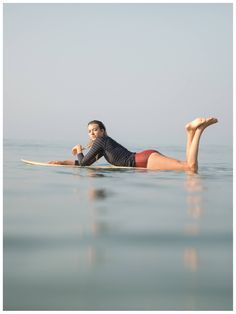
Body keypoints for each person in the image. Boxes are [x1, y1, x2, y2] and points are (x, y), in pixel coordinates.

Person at [48, 117, 218, 173]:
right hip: (144, 159)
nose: (92, 133)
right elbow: (87, 163)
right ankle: (190, 132)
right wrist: (64, 162)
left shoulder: (101, 141)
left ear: (102, 131)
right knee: (188, 169)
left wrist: (78, 150)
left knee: (190, 168)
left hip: (142, 160)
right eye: (89, 131)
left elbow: (84, 163)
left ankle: (198, 130)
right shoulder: (102, 145)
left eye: (95, 130)